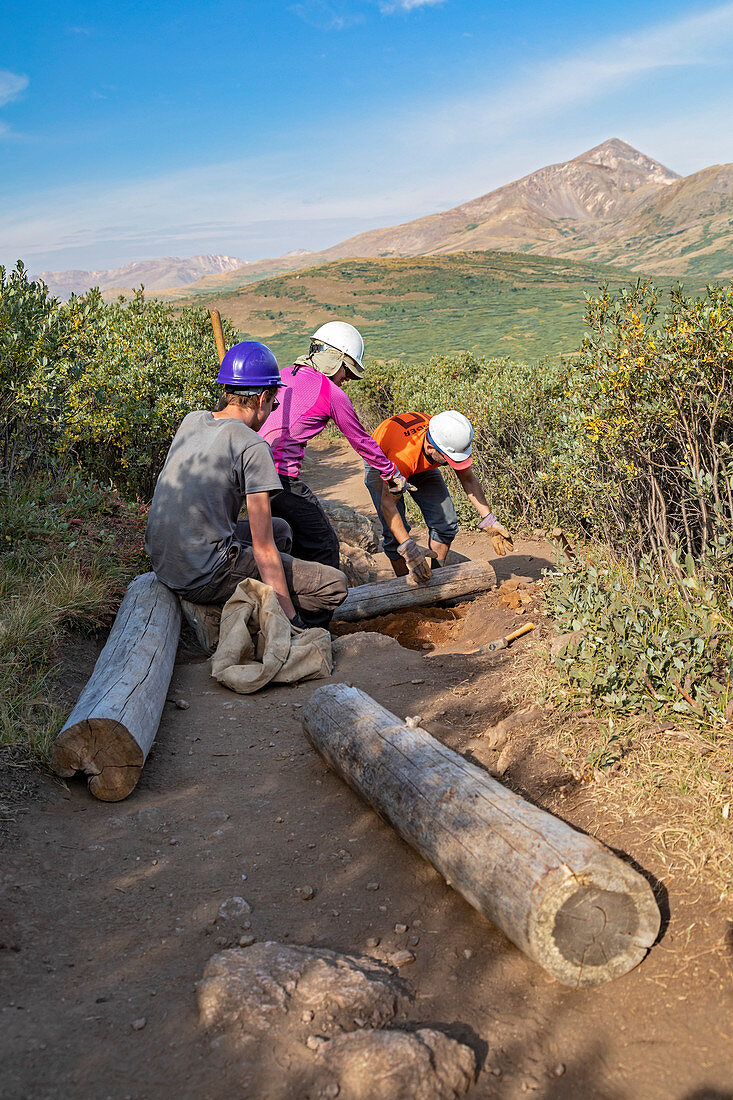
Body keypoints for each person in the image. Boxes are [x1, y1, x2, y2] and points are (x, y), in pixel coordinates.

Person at [145, 340, 348, 631]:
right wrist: (291, 619)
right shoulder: (252, 445)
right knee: (332, 585)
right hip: (203, 575)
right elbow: (263, 549)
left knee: (282, 530)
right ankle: (285, 626)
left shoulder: (192, 421)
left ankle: (258, 605)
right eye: (274, 402)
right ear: (263, 398)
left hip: (165, 561)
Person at [259, 321, 407, 569]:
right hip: (280, 480)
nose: (346, 379)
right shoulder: (330, 392)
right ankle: (320, 606)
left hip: (250, 474)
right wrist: (391, 473)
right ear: (333, 359)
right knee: (325, 546)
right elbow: (361, 441)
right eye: (346, 371)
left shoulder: (282, 374)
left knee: (286, 540)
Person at [364, 409, 514, 583]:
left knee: (446, 524)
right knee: (395, 537)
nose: (454, 464)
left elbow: (468, 479)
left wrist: (489, 520)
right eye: (450, 459)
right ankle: (406, 589)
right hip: (383, 459)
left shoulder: (449, 436)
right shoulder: (403, 458)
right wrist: (408, 547)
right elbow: (388, 505)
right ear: (430, 448)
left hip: (418, 460)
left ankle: (436, 581)